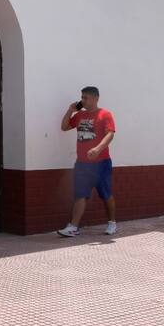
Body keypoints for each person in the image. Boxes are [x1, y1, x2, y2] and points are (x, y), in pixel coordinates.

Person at [57, 86, 117, 237]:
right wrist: (71, 110)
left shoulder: (105, 114)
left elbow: (110, 134)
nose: (83, 100)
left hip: (101, 163)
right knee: (80, 194)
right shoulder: (79, 116)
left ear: (96, 98)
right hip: (82, 163)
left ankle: (112, 223)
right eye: (82, 97)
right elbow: (64, 127)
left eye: (86, 98)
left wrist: (98, 149)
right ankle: (73, 227)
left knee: (106, 194)